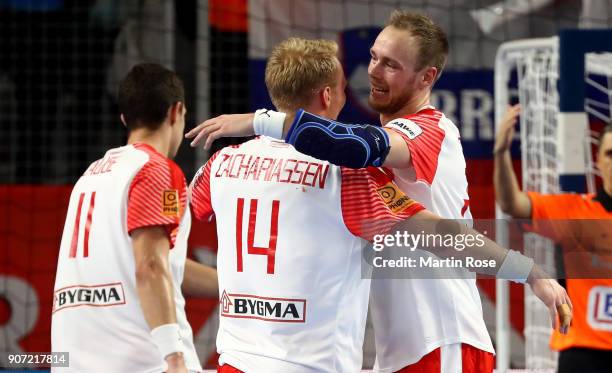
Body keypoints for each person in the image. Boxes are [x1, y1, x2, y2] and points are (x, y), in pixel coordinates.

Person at [189, 36, 570, 373]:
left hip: (236, 358)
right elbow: (440, 235)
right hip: (314, 362)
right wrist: (528, 270)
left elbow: (176, 222)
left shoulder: (221, 165)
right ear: (327, 95)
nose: (372, 73)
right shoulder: (343, 175)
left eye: (388, 62)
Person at [51, 63, 217, 373]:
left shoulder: (91, 175)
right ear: (176, 111)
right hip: (143, 360)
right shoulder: (157, 170)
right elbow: (150, 266)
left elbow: (160, 263)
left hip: (74, 361)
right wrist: (174, 357)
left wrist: (235, 286)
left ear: (124, 118)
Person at [493, 105, 612, 373]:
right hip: (583, 354)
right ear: (598, 161)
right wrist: (501, 154)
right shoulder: (575, 211)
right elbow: (513, 204)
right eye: (610, 154)